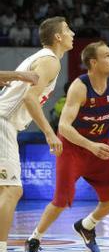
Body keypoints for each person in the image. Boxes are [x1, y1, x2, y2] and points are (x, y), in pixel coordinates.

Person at [28, 41, 109, 252]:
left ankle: (87, 225)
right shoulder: (79, 87)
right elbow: (64, 126)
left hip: (100, 147)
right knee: (61, 200)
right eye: (107, 56)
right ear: (93, 62)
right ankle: (35, 239)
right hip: (74, 148)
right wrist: (90, 145)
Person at [0, 17, 72, 252]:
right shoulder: (50, 61)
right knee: (11, 190)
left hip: (6, 122)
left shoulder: (39, 59)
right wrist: (50, 134)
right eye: (67, 30)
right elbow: (30, 98)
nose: (72, 33)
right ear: (58, 37)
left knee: (5, 190)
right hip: (3, 122)